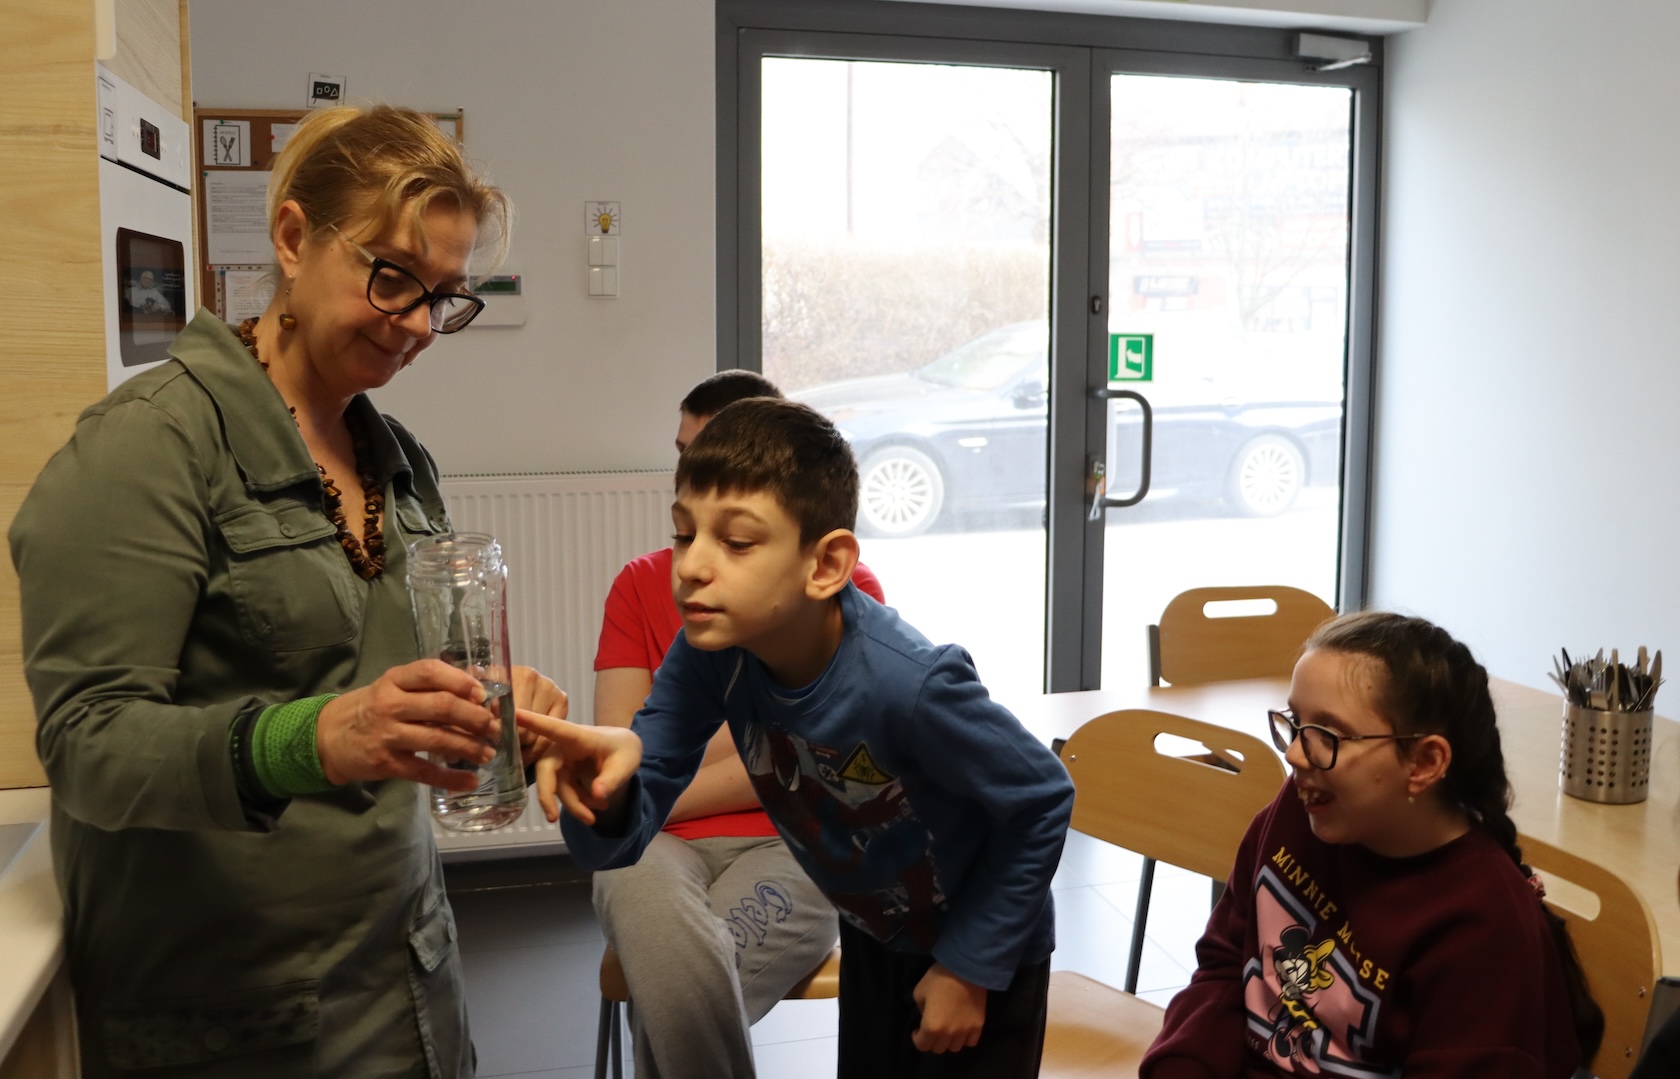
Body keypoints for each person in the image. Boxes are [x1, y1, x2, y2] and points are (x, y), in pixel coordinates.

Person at [9, 104, 561, 1077]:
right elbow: (90, 743)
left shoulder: (398, 461)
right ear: (295, 238)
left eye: (443, 297)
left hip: (410, 985)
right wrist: (312, 738)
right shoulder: (148, 449)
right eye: (392, 276)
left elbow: (389, 681)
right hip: (236, 1019)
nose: (418, 325)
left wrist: (494, 705)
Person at [524, 397, 1075, 1078]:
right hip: (875, 929)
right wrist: (601, 791)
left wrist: (968, 968)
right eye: (684, 534)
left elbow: (1042, 799)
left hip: (983, 945)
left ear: (825, 565)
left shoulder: (909, 682)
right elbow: (626, 825)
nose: (690, 566)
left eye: (736, 542)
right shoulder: (710, 654)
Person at [1139, 610, 1603, 1079]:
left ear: (1424, 763)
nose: (1295, 754)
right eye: (1295, 723)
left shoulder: (1484, 930)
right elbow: (1226, 966)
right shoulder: (1306, 809)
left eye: (1327, 735)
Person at [591, 370, 886, 1078]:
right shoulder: (641, 582)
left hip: (799, 842)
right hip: (653, 848)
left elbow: (828, 760)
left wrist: (655, 793)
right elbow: (622, 750)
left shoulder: (846, 587)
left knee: (672, 995)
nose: (690, 475)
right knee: (671, 971)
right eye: (683, 455)